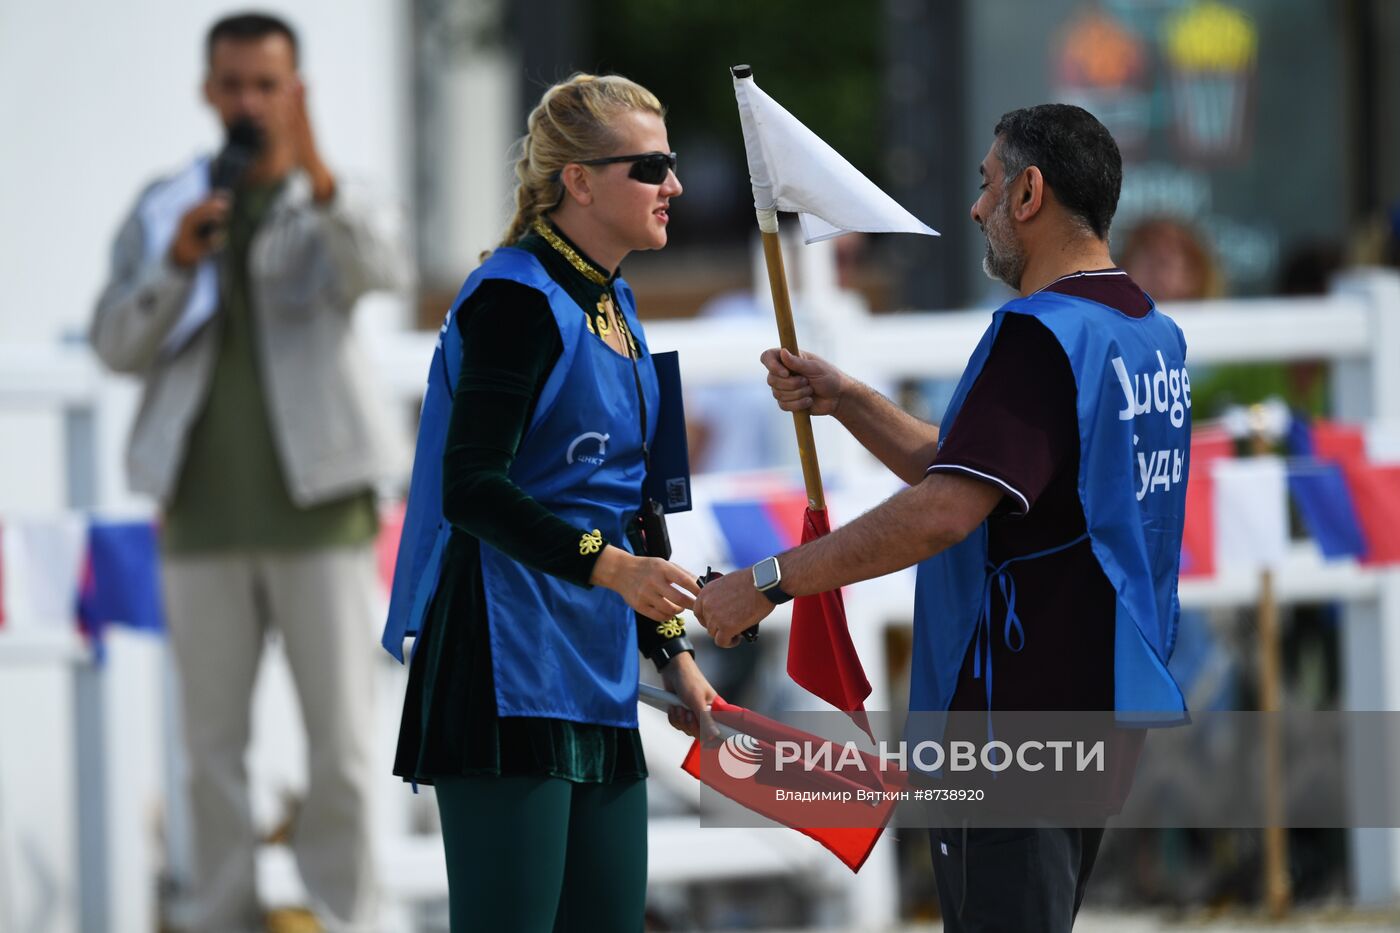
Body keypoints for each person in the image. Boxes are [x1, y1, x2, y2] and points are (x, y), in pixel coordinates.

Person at [695, 104, 1192, 931]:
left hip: (1011, 721)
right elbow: (967, 471)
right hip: (1096, 702)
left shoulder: (1043, 335)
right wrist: (847, 398)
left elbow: (942, 513)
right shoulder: (1148, 330)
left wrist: (767, 580)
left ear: (1030, 192)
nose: (976, 207)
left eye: (988, 182)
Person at [89, 13, 406, 932]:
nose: (248, 103)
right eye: (232, 85)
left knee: (343, 749)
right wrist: (174, 262)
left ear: (295, 92)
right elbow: (115, 343)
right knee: (210, 754)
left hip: (322, 514)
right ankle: (221, 918)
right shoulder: (167, 205)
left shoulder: (337, 197)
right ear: (206, 90)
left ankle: (345, 920)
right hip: (198, 518)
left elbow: (379, 269)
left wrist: (317, 167)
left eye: (267, 86)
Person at [385, 73, 719, 932]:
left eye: (671, 164)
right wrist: (613, 569)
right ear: (578, 179)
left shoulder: (616, 300)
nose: (674, 185)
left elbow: (632, 499)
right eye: (651, 167)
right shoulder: (515, 296)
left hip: (592, 660)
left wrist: (673, 655)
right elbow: (472, 487)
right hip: (503, 657)